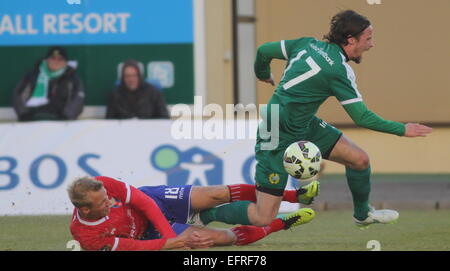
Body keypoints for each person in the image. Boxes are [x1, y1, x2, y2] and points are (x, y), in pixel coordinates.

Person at [217, 10, 433, 228]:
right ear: (351, 40)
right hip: (276, 131)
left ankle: (362, 215)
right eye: (368, 39)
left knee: (359, 160)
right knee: (263, 217)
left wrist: (262, 73)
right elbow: (362, 117)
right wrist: (402, 129)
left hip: (304, 124)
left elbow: (263, 51)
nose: (371, 44)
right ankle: (203, 216)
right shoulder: (339, 70)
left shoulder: (306, 43)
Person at [67, 176, 317, 251]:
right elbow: (133, 247)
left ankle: (294, 196)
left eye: (108, 196)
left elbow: (144, 203)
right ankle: (281, 225)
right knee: (222, 239)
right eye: (102, 203)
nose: (110, 201)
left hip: (156, 200)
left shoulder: (100, 183)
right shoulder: (88, 237)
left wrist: (173, 238)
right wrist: (171, 242)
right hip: (149, 234)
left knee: (217, 194)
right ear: (85, 209)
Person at [12, 46, 84, 121]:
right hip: (33, 121)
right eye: (53, 58)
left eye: (60, 59)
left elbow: (77, 99)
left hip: (61, 122)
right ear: (46, 60)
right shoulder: (33, 75)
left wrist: (67, 116)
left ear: (65, 62)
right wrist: (24, 114)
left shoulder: (72, 78)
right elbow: (18, 95)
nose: (56, 62)